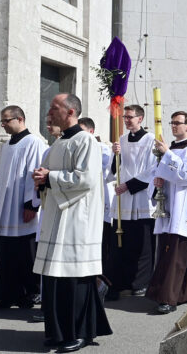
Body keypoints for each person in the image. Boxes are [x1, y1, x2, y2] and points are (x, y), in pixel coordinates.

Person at [32, 93, 112, 352]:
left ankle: (79, 332)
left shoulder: (85, 140)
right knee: (56, 279)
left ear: (70, 111)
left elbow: (86, 180)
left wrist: (50, 177)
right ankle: (58, 331)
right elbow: (46, 174)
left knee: (74, 280)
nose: (50, 111)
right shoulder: (58, 142)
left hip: (77, 220)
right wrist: (40, 179)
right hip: (58, 217)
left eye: (55, 107)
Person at [0, 105, 45, 309]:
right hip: (8, 209)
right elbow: (7, 177)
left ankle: (32, 292)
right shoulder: (7, 146)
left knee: (27, 253)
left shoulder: (34, 143)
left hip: (24, 208)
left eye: (6, 121)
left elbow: (35, 176)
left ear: (20, 119)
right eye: (2, 121)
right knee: (7, 254)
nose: (3, 125)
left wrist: (31, 205)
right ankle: (8, 293)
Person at [146, 111, 187, 315]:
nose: (173, 126)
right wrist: (157, 180)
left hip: (185, 206)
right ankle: (183, 292)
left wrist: (166, 155)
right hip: (169, 204)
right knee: (167, 250)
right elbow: (159, 171)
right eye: (171, 122)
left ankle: (168, 298)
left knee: (178, 254)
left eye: (177, 123)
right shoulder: (171, 148)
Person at [107, 105, 156, 300]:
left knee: (143, 244)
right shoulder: (121, 140)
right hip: (124, 199)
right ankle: (122, 282)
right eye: (125, 117)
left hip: (141, 196)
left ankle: (141, 283)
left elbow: (152, 169)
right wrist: (116, 154)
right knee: (123, 243)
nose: (127, 120)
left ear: (140, 118)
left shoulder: (150, 140)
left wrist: (129, 185)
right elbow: (114, 169)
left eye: (130, 117)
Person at [79, 117, 114, 299]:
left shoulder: (102, 150)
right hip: (82, 205)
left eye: (82, 130)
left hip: (98, 203)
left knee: (100, 246)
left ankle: (100, 282)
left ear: (91, 131)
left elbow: (107, 173)